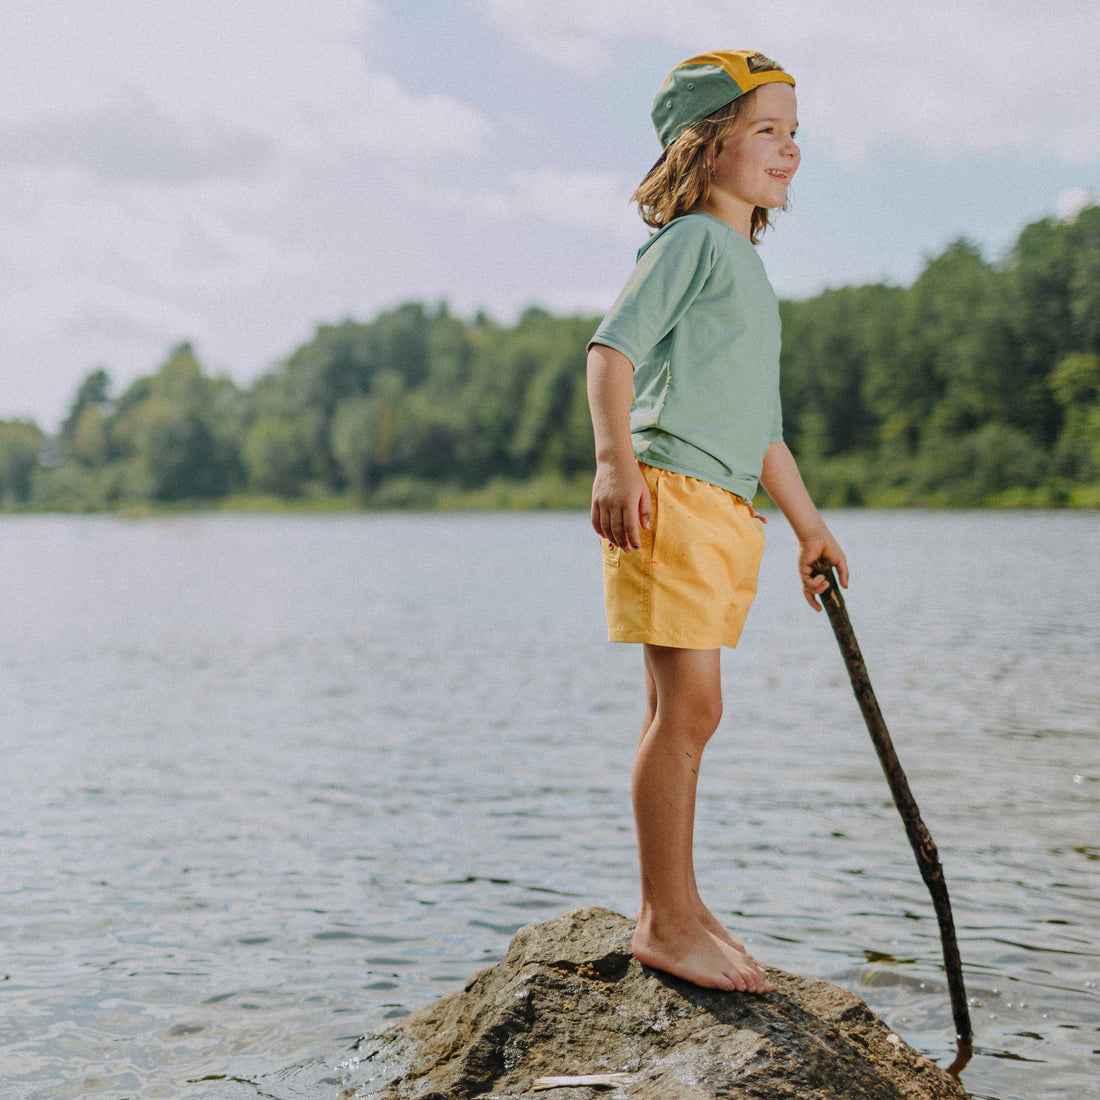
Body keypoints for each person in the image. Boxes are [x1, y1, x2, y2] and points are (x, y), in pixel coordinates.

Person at [586, 49, 849, 993]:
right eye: (766, 131)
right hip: (672, 493)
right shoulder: (692, 243)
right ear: (706, 146)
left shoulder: (740, 260)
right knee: (690, 709)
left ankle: (682, 904)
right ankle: (664, 918)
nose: (789, 150)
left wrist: (810, 526)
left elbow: (762, 426)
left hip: (726, 504)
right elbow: (611, 351)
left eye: (793, 133)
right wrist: (616, 461)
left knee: (683, 710)